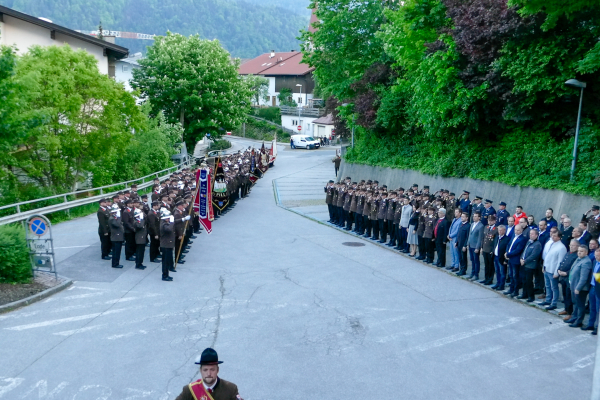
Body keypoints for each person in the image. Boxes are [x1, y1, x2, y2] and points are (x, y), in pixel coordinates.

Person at [175, 348, 240, 400]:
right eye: (205, 370)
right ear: (200, 370)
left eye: (212, 369)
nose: (208, 373)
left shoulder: (231, 389)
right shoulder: (189, 390)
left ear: (217, 370)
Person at [565, 245, 592, 328]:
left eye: (582, 251)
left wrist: (578, 288)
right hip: (574, 285)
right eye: (579, 251)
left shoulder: (586, 262)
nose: (579, 252)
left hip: (580, 288)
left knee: (580, 305)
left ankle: (579, 321)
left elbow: (584, 278)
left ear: (586, 253)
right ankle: (574, 317)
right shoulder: (579, 259)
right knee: (576, 303)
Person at [539, 231, 567, 310]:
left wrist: (556, 272)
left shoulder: (561, 247)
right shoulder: (552, 244)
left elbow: (560, 261)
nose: (552, 237)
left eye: (555, 236)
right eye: (552, 235)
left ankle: (554, 302)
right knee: (547, 286)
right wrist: (544, 267)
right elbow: (547, 256)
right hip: (547, 268)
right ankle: (548, 300)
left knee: (554, 287)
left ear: (559, 237)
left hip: (553, 270)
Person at [557, 240, 581, 320]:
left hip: (569, 278)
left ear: (577, 247)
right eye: (570, 245)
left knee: (568, 296)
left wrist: (566, 273)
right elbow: (563, 262)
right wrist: (559, 269)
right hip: (562, 277)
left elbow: (574, 268)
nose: (571, 247)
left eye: (573, 245)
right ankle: (566, 309)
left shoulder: (576, 255)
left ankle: (570, 313)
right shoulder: (568, 253)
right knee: (564, 294)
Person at [519, 229, 542, 302]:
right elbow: (524, 251)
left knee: (529, 281)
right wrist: (521, 258)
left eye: (532, 234)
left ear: (536, 235)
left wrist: (525, 261)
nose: (530, 235)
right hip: (524, 264)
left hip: (530, 265)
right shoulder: (529, 242)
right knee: (524, 280)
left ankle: (531, 296)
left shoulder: (537, 244)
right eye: (530, 234)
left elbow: (534, 255)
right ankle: (524, 294)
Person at [504, 225, 527, 297]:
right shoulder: (514, 236)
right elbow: (509, 245)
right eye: (515, 230)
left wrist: (508, 254)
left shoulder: (522, 239)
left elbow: (518, 250)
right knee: (511, 275)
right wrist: (507, 252)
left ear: (521, 230)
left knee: (515, 276)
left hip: (516, 260)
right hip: (510, 258)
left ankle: (515, 291)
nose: (516, 231)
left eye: (518, 230)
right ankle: (511, 289)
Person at [582, 248, 600, 335]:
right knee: (592, 307)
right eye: (596, 255)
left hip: (598, 289)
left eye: (598, 256)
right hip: (592, 287)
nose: (596, 257)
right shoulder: (595, 262)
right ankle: (591, 324)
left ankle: (597, 327)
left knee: (598, 310)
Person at [480, 215, 498, 285]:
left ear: (494, 221)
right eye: (489, 220)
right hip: (485, 249)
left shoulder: (496, 229)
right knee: (486, 265)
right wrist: (482, 247)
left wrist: (493, 250)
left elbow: (495, 242)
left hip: (490, 250)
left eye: (491, 221)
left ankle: (490, 279)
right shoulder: (486, 227)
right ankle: (486, 278)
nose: (489, 222)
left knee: (491, 265)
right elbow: (483, 238)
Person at [491, 225, 510, 290]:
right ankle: (498, 283)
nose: (499, 231)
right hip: (496, 256)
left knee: (502, 272)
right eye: (499, 230)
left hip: (502, 258)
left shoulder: (507, 239)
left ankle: (502, 285)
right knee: (497, 271)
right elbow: (494, 245)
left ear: (504, 231)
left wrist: (506, 260)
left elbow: (507, 249)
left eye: (501, 230)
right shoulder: (497, 237)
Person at [467, 212, 484, 280]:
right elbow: (469, 235)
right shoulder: (472, 224)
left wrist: (478, 247)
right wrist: (468, 244)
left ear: (479, 217)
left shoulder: (481, 226)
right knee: (472, 260)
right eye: (474, 216)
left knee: (476, 260)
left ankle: (476, 274)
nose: (474, 217)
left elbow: (480, 238)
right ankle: (472, 272)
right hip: (471, 245)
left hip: (475, 246)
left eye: (476, 216)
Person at [160, 209, 175, 281]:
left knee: (167, 261)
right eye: (168, 218)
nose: (169, 219)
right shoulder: (164, 224)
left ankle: (167, 274)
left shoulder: (166, 223)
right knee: (165, 262)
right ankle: (165, 276)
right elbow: (169, 229)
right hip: (165, 245)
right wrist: (172, 222)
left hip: (168, 244)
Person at [108, 205, 124, 269]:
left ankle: (116, 263)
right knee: (116, 252)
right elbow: (117, 224)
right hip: (115, 237)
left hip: (118, 237)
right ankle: (115, 264)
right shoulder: (112, 219)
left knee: (118, 251)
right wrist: (119, 217)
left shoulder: (115, 218)